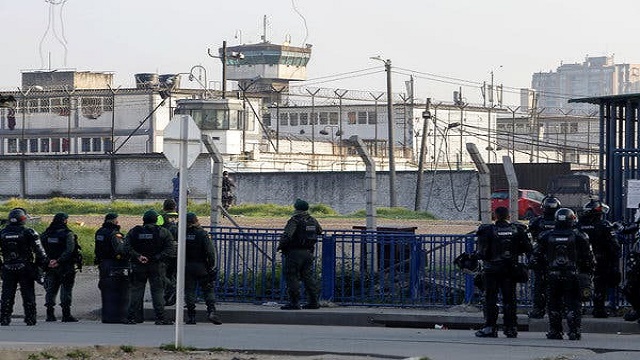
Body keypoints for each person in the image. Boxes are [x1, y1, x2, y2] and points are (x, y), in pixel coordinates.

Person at [534, 208, 595, 340]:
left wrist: (542, 271)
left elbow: (536, 257)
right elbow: (588, 258)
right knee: (573, 303)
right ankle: (574, 331)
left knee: (553, 303)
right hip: (572, 274)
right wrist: (587, 273)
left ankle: (555, 331)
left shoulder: (546, 236)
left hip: (552, 275)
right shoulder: (580, 236)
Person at [474, 206, 532, 338]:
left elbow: (481, 253)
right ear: (508, 217)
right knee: (510, 299)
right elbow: (528, 248)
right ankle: (511, 328)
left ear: (495, 216)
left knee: (490, 299)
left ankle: (490, 327)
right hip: (510, 268)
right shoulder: (517, 230)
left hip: (492, 270)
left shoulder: (487, 230)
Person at [124, 210, 175, 325]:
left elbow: (126, 247)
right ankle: (160, 318)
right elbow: (170, 250)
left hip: (138, 266)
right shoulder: (163, 232)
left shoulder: (134, 231)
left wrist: (138, 256)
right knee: (157, 292)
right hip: (156, 266)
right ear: (156, 220)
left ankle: (131, 317)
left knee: (136, 291)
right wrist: (157, 257)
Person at [0, 208, 48, 326]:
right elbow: (40, 252)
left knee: (6, 294)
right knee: (28, 294)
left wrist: (1, 266)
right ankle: (30, 318)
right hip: (25, 266)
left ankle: (4, 318)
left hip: (7, 267)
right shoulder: (29, 232)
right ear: (23, 219)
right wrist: (38, 268)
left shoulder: (2, 233)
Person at [577, 199, 621, 318]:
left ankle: (577, 308)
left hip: (581, 260)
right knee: (599, 285)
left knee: (579, 282)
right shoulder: (604, 225)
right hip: (600, 259)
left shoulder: (579, 225)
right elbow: (614, 246)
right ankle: (599, 309)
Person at [277, 199, 323, 310]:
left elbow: (288, 235)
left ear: (296, 209)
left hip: (294, 253)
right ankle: (314, 302)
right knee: (308, 277)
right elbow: (319, 231)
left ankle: (294, 303)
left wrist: (280, 246)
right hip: (308, 253)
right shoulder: (313, 220)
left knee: (292, 276)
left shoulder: (295, 220)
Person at [184, 212, 222, 325]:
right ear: (196, 221)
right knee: (208, 289)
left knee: (189, 291)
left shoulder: (181, 233)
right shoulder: (202, 234)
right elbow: (210, 252)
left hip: (186, 266)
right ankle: (211, 311)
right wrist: (211, 266)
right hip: (201, 266)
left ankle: (191, 317)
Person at [527, 195, 562, 319]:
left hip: (542, 258)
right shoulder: (561, 221)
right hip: (558, 259)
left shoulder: (537, 222)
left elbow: (531, 237)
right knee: (559, 285)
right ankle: (558, 310)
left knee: (539, 285)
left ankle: (538, 309)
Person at [41, 212, 79, 322]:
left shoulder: (46, 234)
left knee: (51, 289)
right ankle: (66, 315)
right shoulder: (68, 234)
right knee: (66, 289)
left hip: (50, 266)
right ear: (65, 221)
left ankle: (50, 314)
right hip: (65, 266)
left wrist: (49, 261)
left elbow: (40, 249)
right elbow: (69, 250)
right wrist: (59, 261)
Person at [94, 212, 129, 323]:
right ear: (114, 221)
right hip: (114, 265)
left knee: (105, 290)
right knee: (116, 290)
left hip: (102, 263)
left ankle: (107, 316)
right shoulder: (114, 234)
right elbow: (120, 249)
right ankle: (117, 316)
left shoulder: (99, 232)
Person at [158, 199, 178, 306]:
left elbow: (156, 230)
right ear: (174, 207)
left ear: (164, 207)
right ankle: (171, 294)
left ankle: (171, 290)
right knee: (173, 273)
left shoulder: (161, 217)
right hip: (178, 250)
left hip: (165, 250)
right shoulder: (180, 216)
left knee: (162, 274)